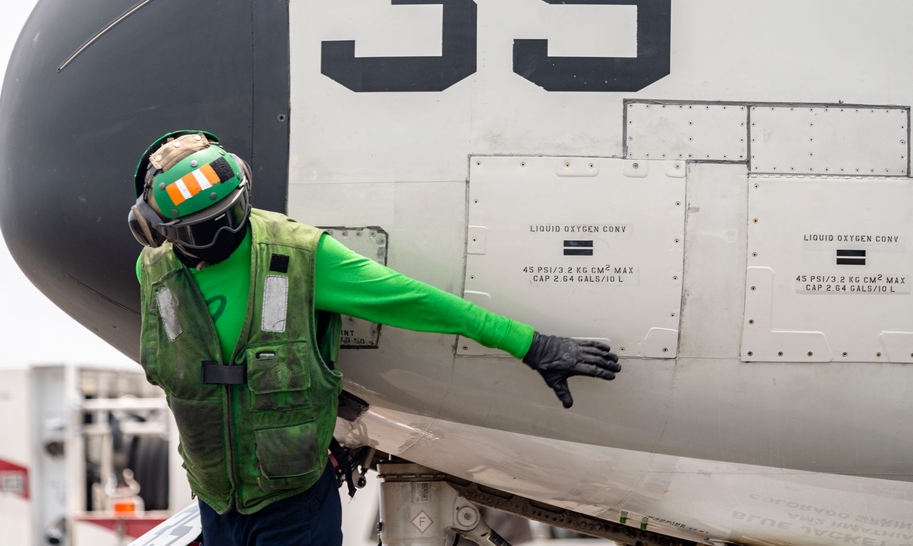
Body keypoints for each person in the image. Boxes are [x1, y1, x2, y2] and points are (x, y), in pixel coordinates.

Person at [128, 130, 621, 546]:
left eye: (231, 219)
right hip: (214, 503)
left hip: (291, 506)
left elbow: (417, 301)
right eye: (200, 232)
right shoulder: (155, 274)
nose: (221, 239)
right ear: (156, 231)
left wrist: (531, 345)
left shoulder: (297, 256)